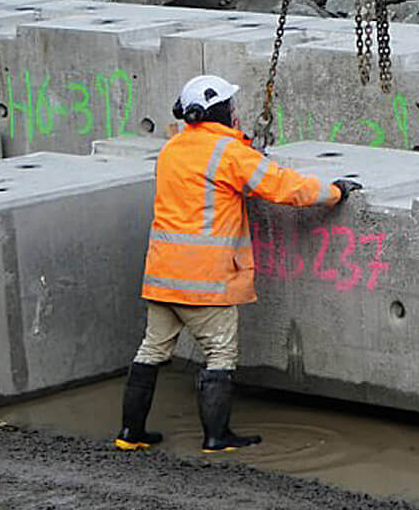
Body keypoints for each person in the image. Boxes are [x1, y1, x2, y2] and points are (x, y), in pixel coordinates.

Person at [115, 74, 362, 454]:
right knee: (220, 355)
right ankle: (217, 437)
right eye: (231, 106)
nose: (236, 112)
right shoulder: (228, 154)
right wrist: (333, 193)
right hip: (207, 280)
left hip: (163, 276)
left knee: (151, 351)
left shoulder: (172, 149)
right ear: (219, 111)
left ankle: (130, 434)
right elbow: (284, 187)